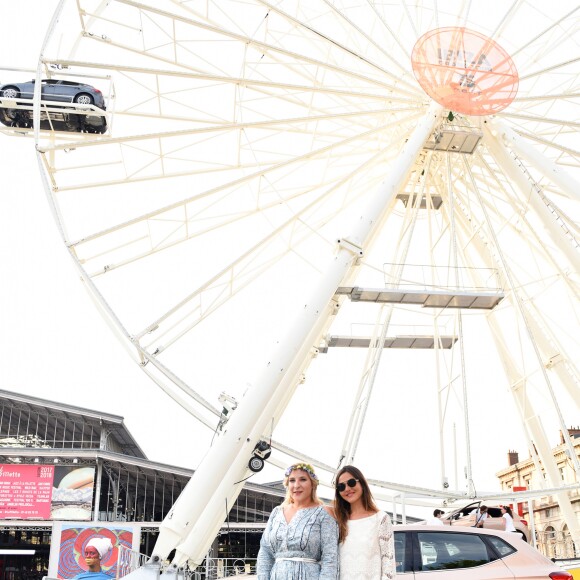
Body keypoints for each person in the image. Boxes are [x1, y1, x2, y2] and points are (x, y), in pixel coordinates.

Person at [257, 462, 339, 579]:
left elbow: (330, 557)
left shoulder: (323, 514)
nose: (296, 485)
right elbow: (265, 552)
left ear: (313, 484)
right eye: (292, 480)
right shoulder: (276, 513)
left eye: (303, 479)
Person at [333, 465, 396, 579]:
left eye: (351, 482)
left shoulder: (381, 519)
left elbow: (388, 564)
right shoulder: (337, 521)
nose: (347, 489)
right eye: (341, 486)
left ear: (362, 483)